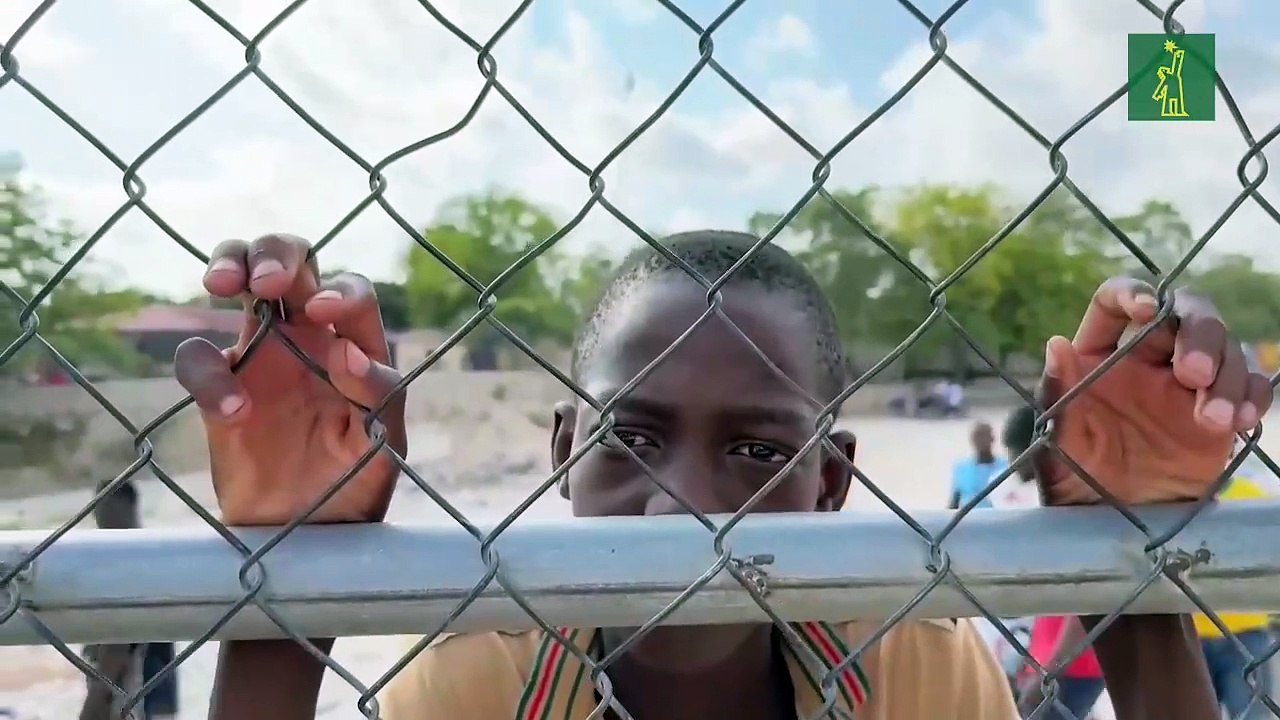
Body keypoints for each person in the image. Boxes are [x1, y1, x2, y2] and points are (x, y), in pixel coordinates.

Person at [181, 232, 1271, 720]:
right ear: (563, 449)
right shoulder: (474, 681)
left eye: (756, 452)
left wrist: (1131, 564)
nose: (685, 506)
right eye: (632, 438)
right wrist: (289, 580)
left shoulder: (915, 674)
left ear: (832, 484)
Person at [1194, 450, 1275, 719]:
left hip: (1244, 631)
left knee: (1252, 714)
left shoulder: (1253, 497)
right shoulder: (1178, 499)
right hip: (1194, 633)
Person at [948, 421, 1009, 510]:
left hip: (998, 518)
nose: (981, 440)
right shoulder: (961, 468)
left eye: (984, 436)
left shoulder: (1005, 467)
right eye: (977, 436)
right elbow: (954, 502)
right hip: (971, 520)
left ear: (992, 438)